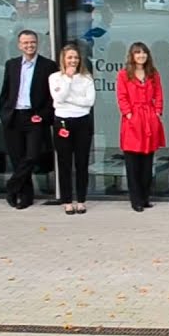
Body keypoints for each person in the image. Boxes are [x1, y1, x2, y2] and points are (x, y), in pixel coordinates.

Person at [0, 30, 57, 209]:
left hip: (35, 117)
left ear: (37, 43)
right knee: (17, 158)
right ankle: (25, 196)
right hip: (14, 116)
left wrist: (44, 115)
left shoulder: (48, 66)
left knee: (31, 156)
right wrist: (4, 113)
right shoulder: (12, 65)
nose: (29, 45)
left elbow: (52, 96)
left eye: (32, 42)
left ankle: (12, 186)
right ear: (19, 45)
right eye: (25, 43)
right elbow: (5, 92)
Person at [117, 41, 166, 213]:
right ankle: (135, 199)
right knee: (133, 163)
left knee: (147, 162)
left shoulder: (153, 74)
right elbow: (122, 97)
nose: (141, 55)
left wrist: (158, 111)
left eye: (144, 52)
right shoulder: (124, 74)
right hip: (133, 120)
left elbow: (159, 93)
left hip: (149, 118)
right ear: (132, 55)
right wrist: (128, 114)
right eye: (137, 53)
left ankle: (145, 198)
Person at [49, 43, 96, 215]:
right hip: (63, 122)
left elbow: (89, 102)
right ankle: (67, 200)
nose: (73, 60)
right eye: (70, 57)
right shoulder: (55, 78)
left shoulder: (87, 78)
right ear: (63, 59)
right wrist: (68, 80)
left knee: (82, 162)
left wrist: (69, 98)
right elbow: (58, 98)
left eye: (75, 57)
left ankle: (81, 200)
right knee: (64, 163)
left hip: (82, 121)